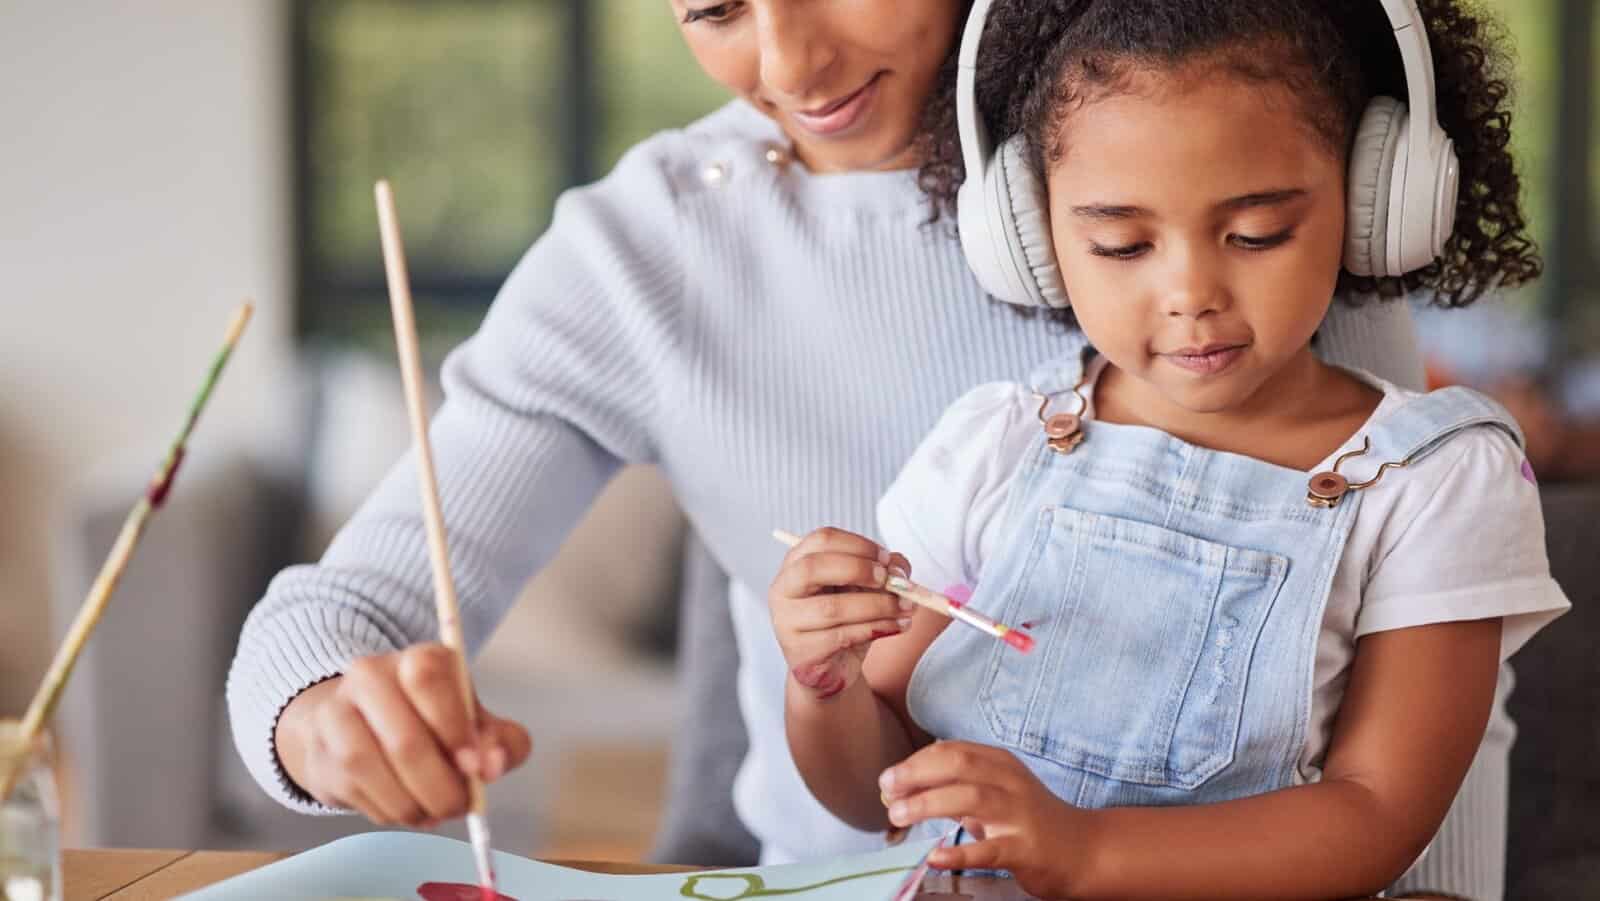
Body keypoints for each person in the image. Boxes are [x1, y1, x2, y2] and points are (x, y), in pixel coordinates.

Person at [226, 1, 1499, 895]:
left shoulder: (1232, 128)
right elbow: (344, 609)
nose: (787, 60)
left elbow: (1396, 696)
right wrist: (326, 719)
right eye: (714, 5)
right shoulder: (638, 257)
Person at [768, 1, 1569, 898]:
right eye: (1122, 244)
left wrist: (1084, 849)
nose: (1191, 292)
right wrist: (823, 686)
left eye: (1256, 234)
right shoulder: (997, 443)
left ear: (1372, 195)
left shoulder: (1434, 481)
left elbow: (1376, 815)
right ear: (1030, 236)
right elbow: (884, 794)